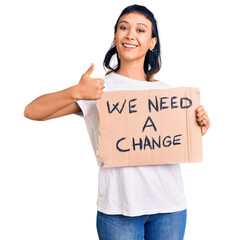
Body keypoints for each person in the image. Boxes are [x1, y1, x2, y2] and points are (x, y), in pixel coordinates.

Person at [24, 4, 210, 240]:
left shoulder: (169, 94)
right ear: (115, 36)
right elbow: (32, 111)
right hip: (117, 211)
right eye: (124, 27)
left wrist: (197, 125)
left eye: (140, 30)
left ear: (152, 42)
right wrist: (76, 91)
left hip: (169, 208)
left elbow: (175, 141)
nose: (130, 35)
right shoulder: (98, 91)